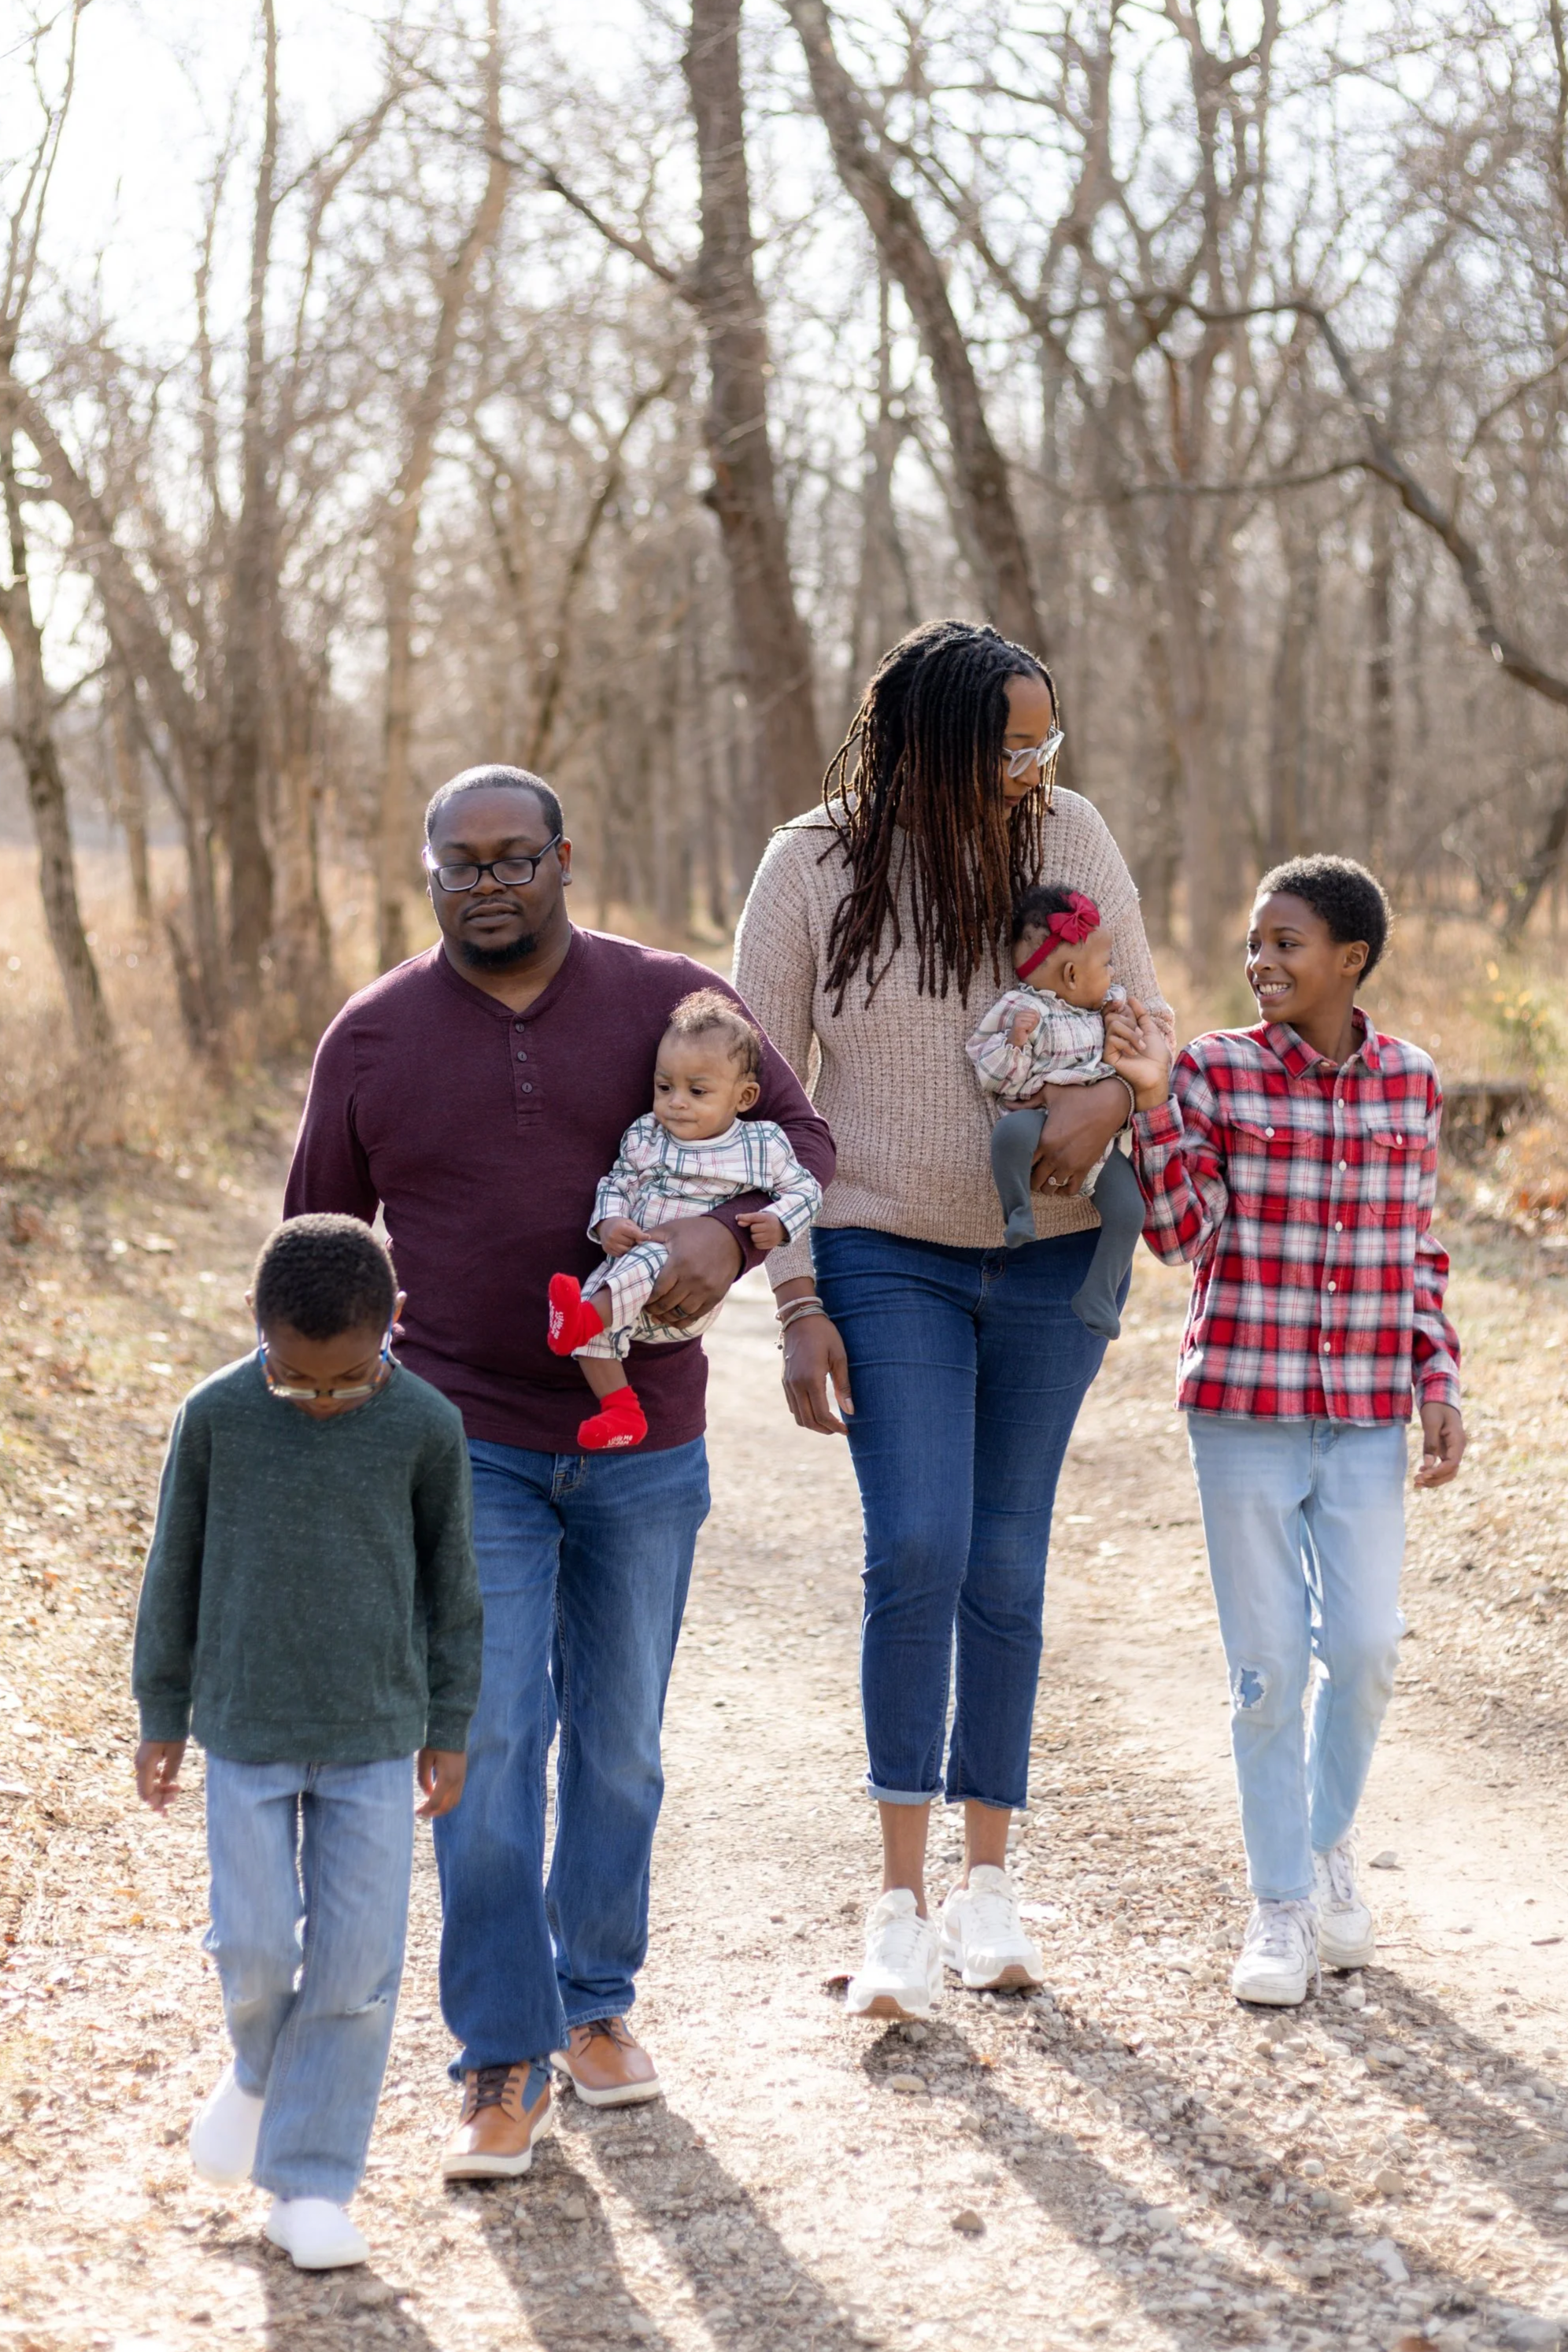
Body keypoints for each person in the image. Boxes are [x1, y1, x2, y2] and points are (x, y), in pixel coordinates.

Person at [284, 766, 832, 2173]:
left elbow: (808, 1144)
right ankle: (498, 2059)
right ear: (427, 875)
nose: (485, 883)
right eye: (456, 863)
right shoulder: (374, 1036)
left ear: (563, 859)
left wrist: (738, 1243)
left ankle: (596, 2005)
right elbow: (317, 1250)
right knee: (481, 1749)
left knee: (622, 1743)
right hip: (464, 1437)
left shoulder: (671, 1001)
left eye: (511, 858)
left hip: (645, 1436)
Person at [732, 618, 1173, 2021]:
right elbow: (757, 1101)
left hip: (1052, 1252)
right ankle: (898, 1908)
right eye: (1010, 743)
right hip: (881, 1247)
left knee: (1006, 1555)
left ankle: (991, 1889)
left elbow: (1144, 1026)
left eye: (1048, 738)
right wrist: (795, 1295)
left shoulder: (1072, 833)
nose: (1034, 765)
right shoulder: (812, 865)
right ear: (926, 745)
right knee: (916, 1537)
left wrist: (1111, 1092)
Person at [1113, 855, 1465, 2006]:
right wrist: (1155, 1101)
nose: (1262, 961)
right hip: (1244, 1411)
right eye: (1255, 944)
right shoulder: (1212, 1071)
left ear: (1350, 960)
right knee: (1267, 1674)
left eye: (1288, 944)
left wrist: (1438, 1379)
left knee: (1363, 1652)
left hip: (1366, 1412)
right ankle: (1278, 1904)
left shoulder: (1412, 1082)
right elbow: (1177, 1237)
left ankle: (1324, 1848)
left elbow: (1419, 1248)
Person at [131, 1215, 481, 2269]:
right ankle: (254, 2071)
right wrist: (163, 1711)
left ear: (394, 1328)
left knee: (358, 1969)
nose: (323, 1401)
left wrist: (450, 1725)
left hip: (376, 1733)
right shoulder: (217, 1417)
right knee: (252, 1949)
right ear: (258, 1332)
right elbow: (173, 1569)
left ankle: (313, 2183)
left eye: (346, 1380)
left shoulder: (425, 1425)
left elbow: (452, 1591)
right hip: (246, 1725)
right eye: (297, 1380)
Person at [546, 989, 823, 1449]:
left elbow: (805, 1188)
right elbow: (616, 1181)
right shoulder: (645, 1135)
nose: (676, 1102)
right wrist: (610, 1222)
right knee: (595, 1330)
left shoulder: (758, 1145)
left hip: (684, 1289)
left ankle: (582, 1318)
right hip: (625, 1280)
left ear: (744, 1096)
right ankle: (620, 1411)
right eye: (664, 1087)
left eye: (697, 1091)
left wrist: (780, 1221)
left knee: (657, 1254)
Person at [966, 883, 1145, 1338]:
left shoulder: (1106, 1007)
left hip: (1097, 1141)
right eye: (1105, 965)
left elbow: (1139, 1054)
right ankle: (1018, 1210)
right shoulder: (1022, 1010)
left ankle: (1099, 1293)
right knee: (1008, 1138)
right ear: (1070, 974)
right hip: (1037, 1120)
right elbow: (990, 1074)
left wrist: (1124, 1028)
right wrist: (1015, 1043)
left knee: (1129, 1212)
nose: (1113, 973)